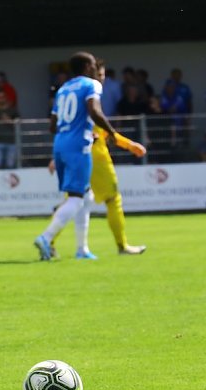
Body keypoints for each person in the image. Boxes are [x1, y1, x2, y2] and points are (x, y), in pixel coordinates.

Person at [34, 52, 145, 261]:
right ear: (87, 67)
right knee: (91, 199)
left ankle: (81, 249)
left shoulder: (63, 89)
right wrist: (115, 136)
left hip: (61, 145)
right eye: (96, 69)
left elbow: (52, 125)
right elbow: (95, 113)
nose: (100, 76)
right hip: (86, 150)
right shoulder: (90, 87)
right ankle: (47, 238)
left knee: (82, 198)